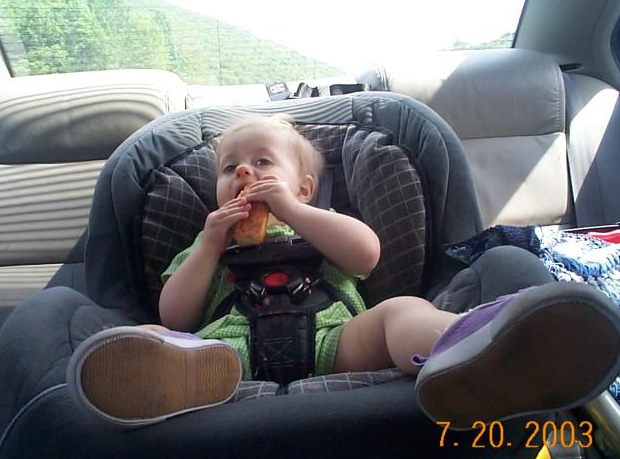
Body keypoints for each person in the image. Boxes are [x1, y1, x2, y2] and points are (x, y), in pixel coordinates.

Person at [67, 115, 620, 429]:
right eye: (230, 168)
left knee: (400, 313)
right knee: (156, 335)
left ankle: (470, 352)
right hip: (224, 352)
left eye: (262, 163)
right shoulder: (206, 241)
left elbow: (366, 256)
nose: (244, 174)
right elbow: (177, 313)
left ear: (304, 187)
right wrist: (210, 242)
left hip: (337, 337)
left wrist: (294, 213)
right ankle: (153, 379)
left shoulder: (320, 221)